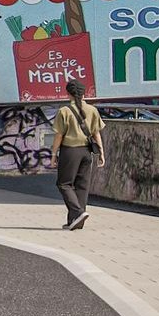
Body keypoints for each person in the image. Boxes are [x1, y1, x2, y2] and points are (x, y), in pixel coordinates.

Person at [49, 78, 105, 228]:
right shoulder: (93, 110)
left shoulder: (64, 111)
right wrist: (101, 153)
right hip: (87, 152)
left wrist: (54, 154)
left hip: (70, 151)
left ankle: (78, 212)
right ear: (84, 93)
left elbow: (59, 135)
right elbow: (96, 133)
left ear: (69, 94)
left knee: (64, 184)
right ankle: (75, 222)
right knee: (82, 186)